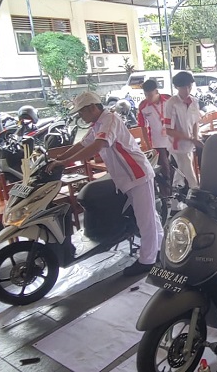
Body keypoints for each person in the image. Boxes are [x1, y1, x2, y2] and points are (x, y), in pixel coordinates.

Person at [47, 91, 163, 276]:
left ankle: (148, 260)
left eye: (81, 112)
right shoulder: (98, 124)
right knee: (149, 216)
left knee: (146, 219)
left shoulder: (110, 120)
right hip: (128, 177)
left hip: (137, 174)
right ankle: (159, 248)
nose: (80, 116)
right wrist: (60, 158)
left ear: (92, 107)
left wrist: (63, 162)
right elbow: (83, 144)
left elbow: (97, 146)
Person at [164, 72, 203, 200]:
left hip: (189, 145)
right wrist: (190, 139)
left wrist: (195, 138)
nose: (186, 90)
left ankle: (176, 203)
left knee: (180, 176)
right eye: (183, 87)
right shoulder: (171, 103)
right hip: (177, 146)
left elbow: (196, 122)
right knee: (190, 176)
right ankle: (196, 197)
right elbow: (169, 130)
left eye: (189, 86)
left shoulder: (194, 101)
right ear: (176, 87)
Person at [136, 79, 173, 183]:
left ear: (157, 92)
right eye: (146, 95)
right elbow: (142, 126)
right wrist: (148, 145)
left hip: (172, 139)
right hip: (157, 143)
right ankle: (166, 194)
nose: (148, 98)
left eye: (150, 95)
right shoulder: (143, 106)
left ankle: (178, 190)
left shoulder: (168, 99)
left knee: (175, 166)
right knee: (164, 169)